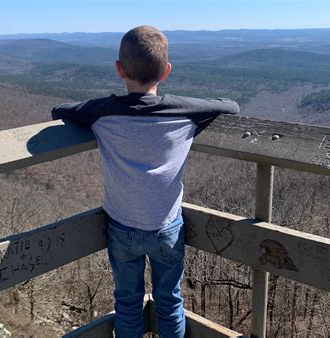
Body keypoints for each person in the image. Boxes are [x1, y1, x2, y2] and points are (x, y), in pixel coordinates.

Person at [51, 25, 239, 338]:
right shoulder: (185, 113)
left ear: (119, 70)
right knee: (169, 301)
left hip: (122, 228)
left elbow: (61, 110)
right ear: (165, 72)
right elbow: (230, 106)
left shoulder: (101, 113)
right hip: (167, 227)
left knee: (127, 302)